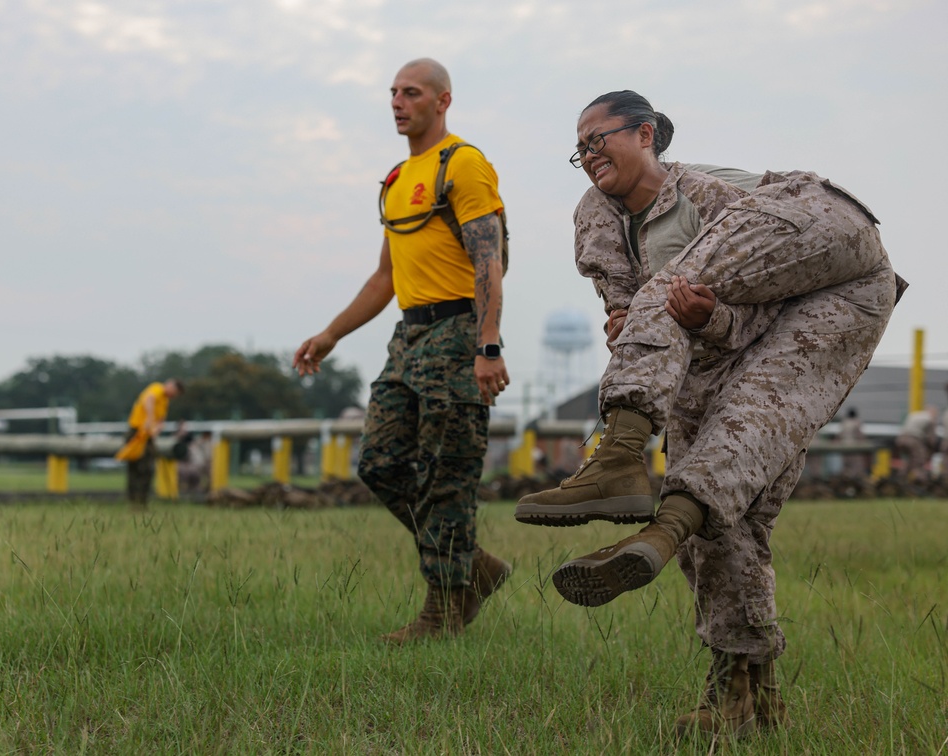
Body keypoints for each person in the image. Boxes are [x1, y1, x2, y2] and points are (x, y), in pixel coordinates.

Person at [515, 90, 903, 737]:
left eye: (597, 139)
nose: (587, 155)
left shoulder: (710, 197)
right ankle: (748, 699)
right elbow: (631, 308)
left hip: (835, 261)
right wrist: (634, 317)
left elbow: (753, 310)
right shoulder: (595, 217)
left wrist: (704, 315)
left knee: (664, 298)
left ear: (645, 135)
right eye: (577, 148)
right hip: (713, 354)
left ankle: (618, 459)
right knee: (726, 510)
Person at [293, 58, 511, 644]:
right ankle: (475, 566)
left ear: (442, 101)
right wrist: (331, 334)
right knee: (379, 463)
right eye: (392, 93)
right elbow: (384, 277)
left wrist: (487, 345)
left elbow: (489, 260)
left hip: (457, 332)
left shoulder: (462, 165)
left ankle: (442, 611)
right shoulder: (395, 180)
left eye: (410, 93)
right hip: (407, 338)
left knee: (448, 475)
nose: (397, 102)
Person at [116, 378, 184, 504]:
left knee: (147, 468)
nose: (174, 395)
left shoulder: (165, 401)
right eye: (175, 392)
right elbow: (149, 399)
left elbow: (161, 420)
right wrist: (150, 419)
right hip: (137, 432)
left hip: (148, 437)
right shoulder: (157, 388)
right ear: (170, 385)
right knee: (136, 468)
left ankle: (141, 500)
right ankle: (134, 500)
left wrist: (157, 428)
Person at [893, 406, 938, 484]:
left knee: (909, 460)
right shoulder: (930, 419)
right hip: (913, 439)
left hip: (901, 439)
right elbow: (931, 439)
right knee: (919, 459)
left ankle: (900, 478)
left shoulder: (914, 415)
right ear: (933, 413)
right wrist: (931, 450)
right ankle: (920, 481)